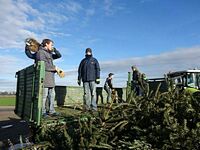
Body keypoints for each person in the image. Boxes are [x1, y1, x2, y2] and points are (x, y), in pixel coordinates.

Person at [36, 39, 62, 117]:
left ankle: (51, 111)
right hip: (44, 78)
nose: (52, 46)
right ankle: (42, 112)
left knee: (52, 95)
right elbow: (43, 65)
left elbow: (59, 55)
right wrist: (55, 68)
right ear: (46, 44)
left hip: (50, 78)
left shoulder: (49, 53)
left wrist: (54, 49)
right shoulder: (40, 52)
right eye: (51, 45)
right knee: (44, 97)